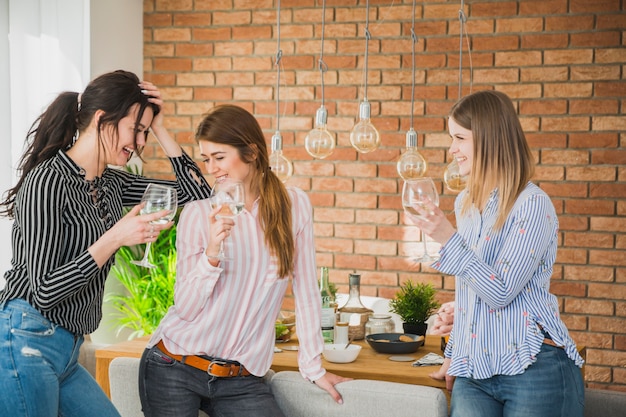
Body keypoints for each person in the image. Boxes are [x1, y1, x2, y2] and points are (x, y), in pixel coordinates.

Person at [0, 70, 211, 417]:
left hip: (68, 349)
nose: (140, 143)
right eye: (136, 130)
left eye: (145, 133)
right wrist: (115, 237)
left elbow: (198, 193)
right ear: (102, 120)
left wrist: (159, 126)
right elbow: (45, 291)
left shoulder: (112, 183)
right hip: (25, 338)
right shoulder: (47, 180)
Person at [138, 104, 350, 417]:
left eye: (219, 157)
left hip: (241, 379)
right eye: (207, 159)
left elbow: (306, 292)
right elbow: (185, 306)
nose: (212, 168)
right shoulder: (199, 214)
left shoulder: (295, 206)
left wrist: (313, 367)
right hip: (174, 367)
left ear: (250, 153)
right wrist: (212, 252)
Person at [408, 90, 585, 417]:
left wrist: (447, 237)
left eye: (459, 138)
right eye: (451, 138)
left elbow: (501, 291)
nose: (452, 149)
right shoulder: (464, 204)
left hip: (535, 367)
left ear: (489, 139)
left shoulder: (532, 205)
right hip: (475, 373)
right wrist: (456, 354)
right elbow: (469, 285)